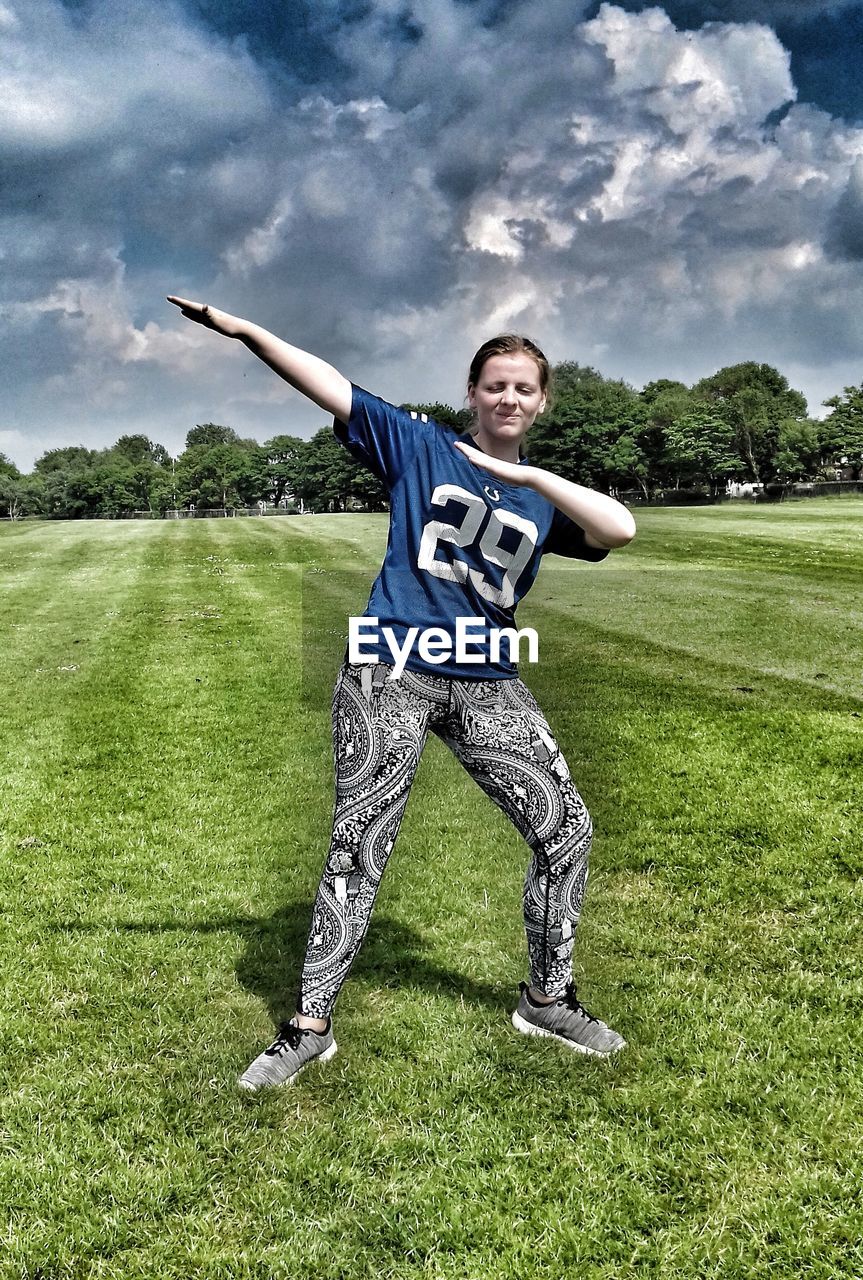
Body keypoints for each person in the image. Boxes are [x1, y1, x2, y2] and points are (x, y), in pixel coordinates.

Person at [166, 296, 636, 1090]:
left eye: (524, 388)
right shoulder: (420, 447)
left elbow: (618, 529)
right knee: (359, 847)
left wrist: (522, 474)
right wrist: (245, 330)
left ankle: (547, 1000)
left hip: (487, 677)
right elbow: (330, 384)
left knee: (567, 833)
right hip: (389, 669)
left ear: (542, 400)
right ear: (472, 391)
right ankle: (308, 1027)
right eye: (495, 385)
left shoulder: (541, 496)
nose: (508, 399)